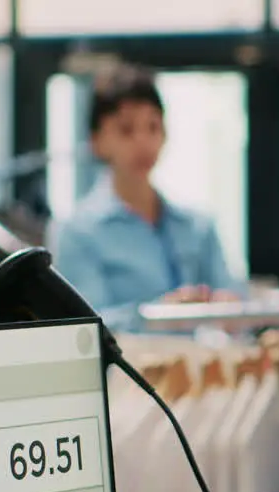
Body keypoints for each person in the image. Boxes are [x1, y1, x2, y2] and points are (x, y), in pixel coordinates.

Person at [51, 64, 242, 333]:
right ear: (97, 141)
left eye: (153, 127)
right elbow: (87, 329)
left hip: (197, 370)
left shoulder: (197, 226)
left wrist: (228, 308)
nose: (143, 141)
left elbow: (235, 304)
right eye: (126, 130)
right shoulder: (77, 233)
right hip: (125, 373)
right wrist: (161, 314)